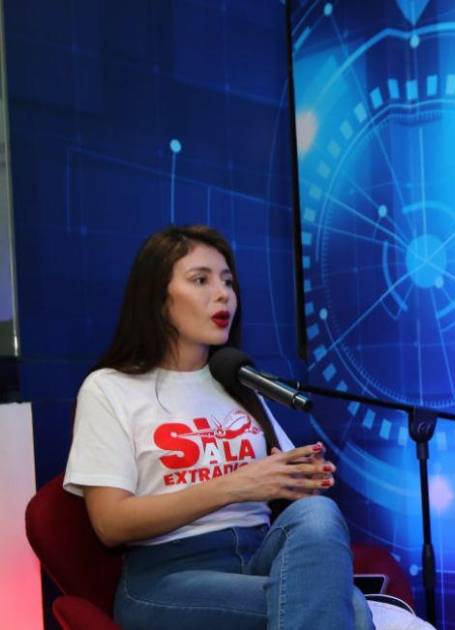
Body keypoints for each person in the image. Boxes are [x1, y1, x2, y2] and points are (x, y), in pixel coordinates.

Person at [63, 225, 374, 630]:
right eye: (201, 280)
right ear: (157, 297)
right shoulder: (109, 388)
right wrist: (236, 485)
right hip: (168, 576)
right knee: (348, 609)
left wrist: (299, 480)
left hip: (260, 556)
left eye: (228, 281)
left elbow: (283, 486)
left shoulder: (235, 380)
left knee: (318, 512)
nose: (223, 294)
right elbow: (110, 524)